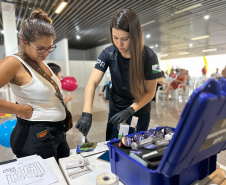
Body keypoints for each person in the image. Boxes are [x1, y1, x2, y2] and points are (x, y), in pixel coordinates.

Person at [75, 8, 162, 140]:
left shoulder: (150, 57)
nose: (119, 44)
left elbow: (150, 92)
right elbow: (92, 83)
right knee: (114, 143)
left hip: (138, 110)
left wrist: (130, 110)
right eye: (115, 38)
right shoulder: (109, 53)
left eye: (124, 39)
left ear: (135, 36)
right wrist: (87, 113)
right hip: (116, 109)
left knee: (134, 146)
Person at [0, 9, 70, 161]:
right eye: (40, 48)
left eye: (50, 47)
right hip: (37, 134)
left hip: (56, 132)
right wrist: (20, 109)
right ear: (24, 41)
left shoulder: (39, 61)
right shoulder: (13, 62)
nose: (46, 53)